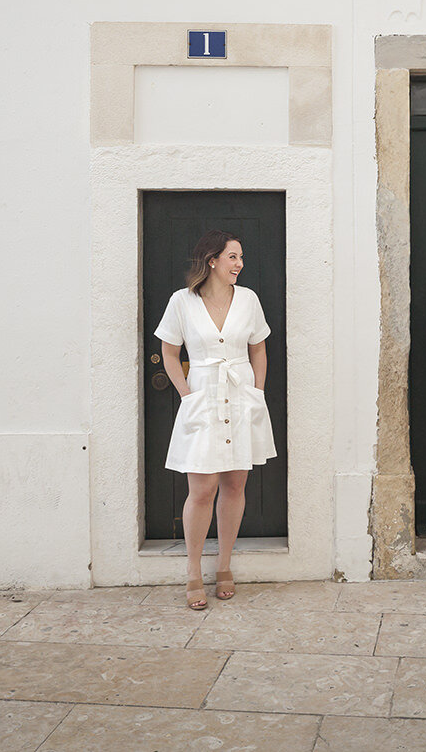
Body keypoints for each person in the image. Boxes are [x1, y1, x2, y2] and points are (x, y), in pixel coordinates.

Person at [154, 229, 277, 610]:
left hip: (241, 397)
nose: (240, 264)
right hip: (203, 397)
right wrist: (187, 395)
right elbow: (169, 353)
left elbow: (259, 349)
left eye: (240, 257)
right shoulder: (182, 302)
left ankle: (224, 565)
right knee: (202, 488)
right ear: (213, 260)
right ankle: (193, 571)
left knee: (236, 485)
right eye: (233, 257)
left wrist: (257, 391)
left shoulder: (249, 300)